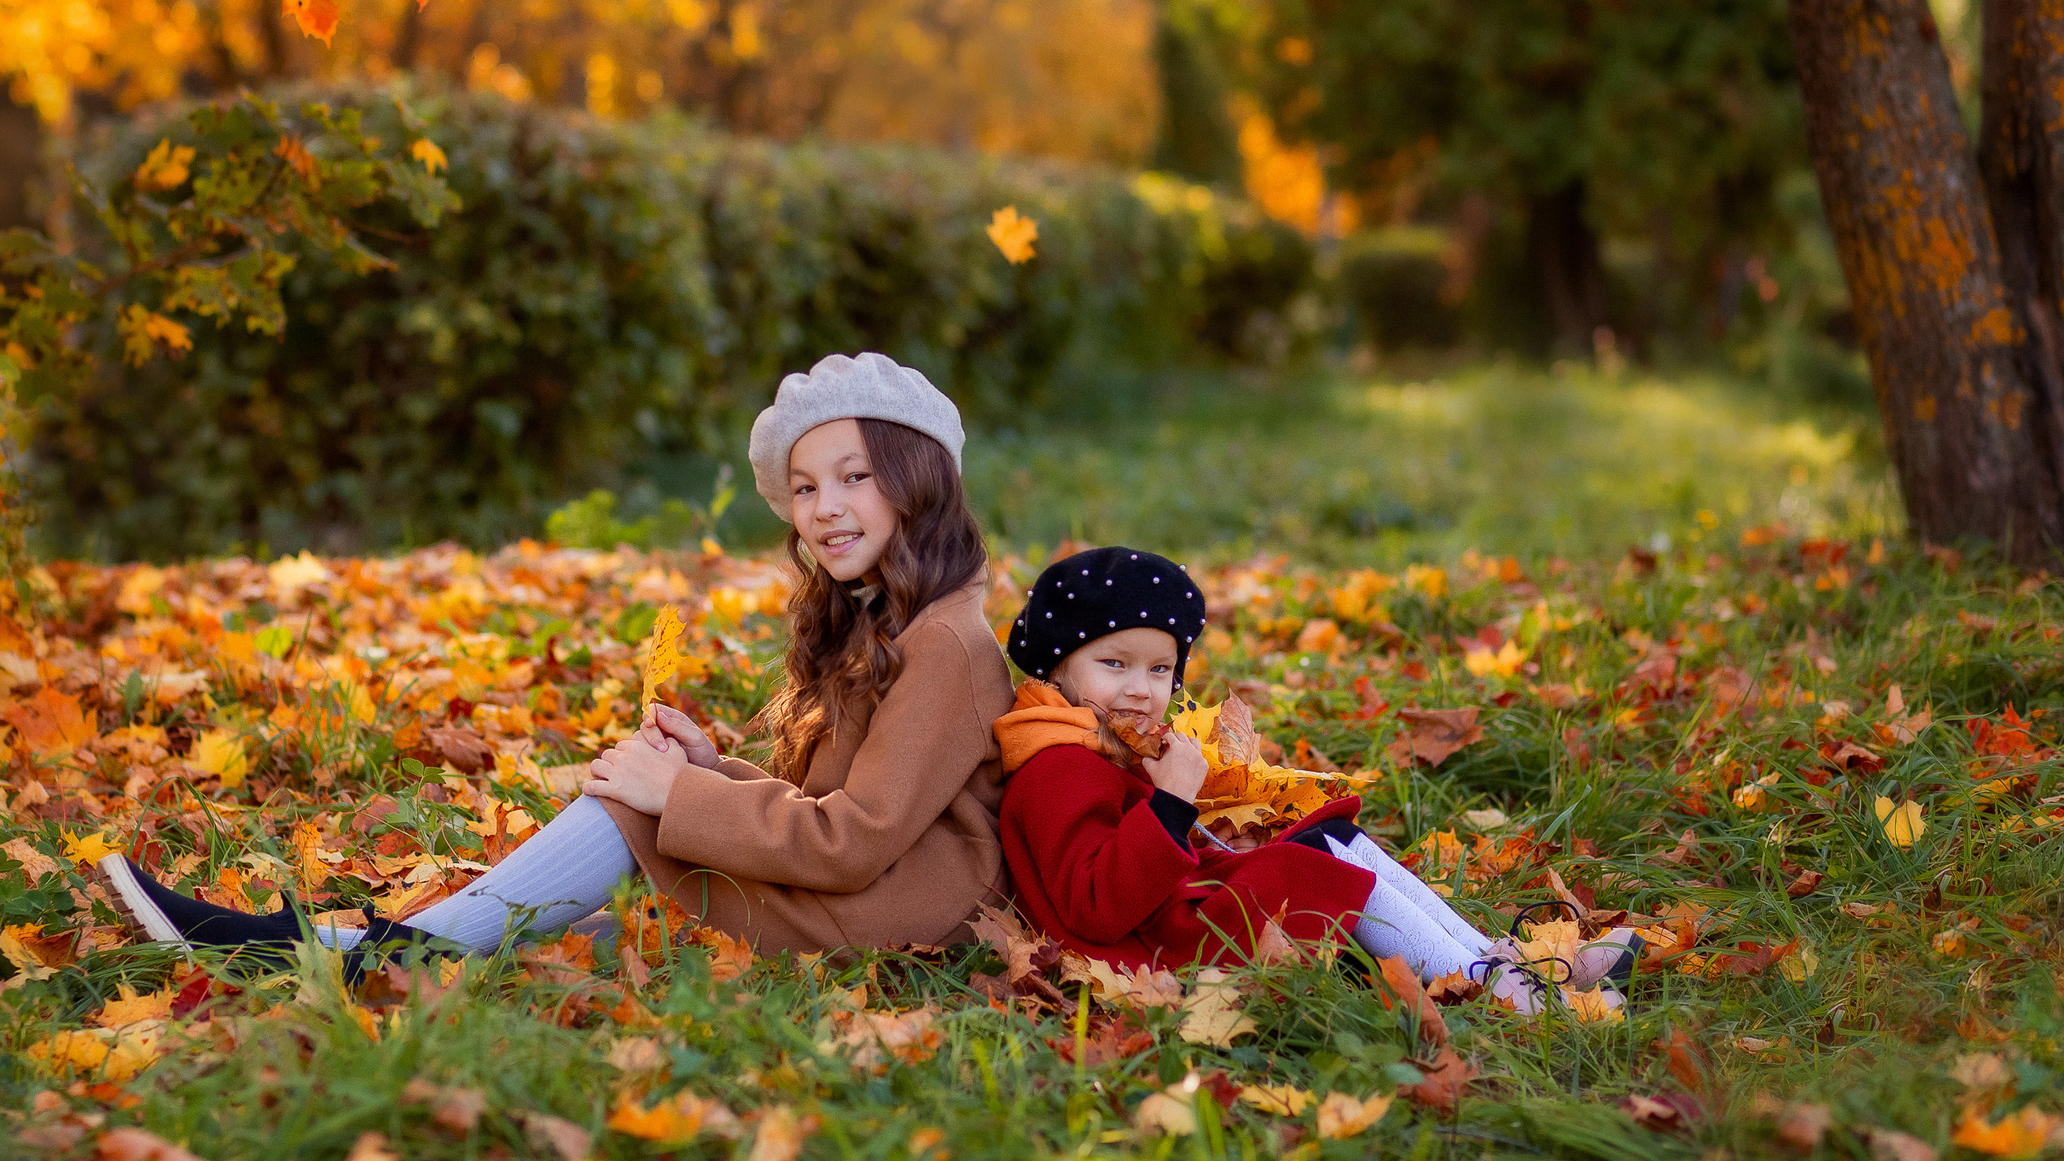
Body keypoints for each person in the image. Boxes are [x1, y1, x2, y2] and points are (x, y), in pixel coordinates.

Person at [97, 351, 1018, 970]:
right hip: (871, 896)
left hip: (897, 918)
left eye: (855, 476)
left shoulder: (944, 643)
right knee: (565, 933)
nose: (825, 508)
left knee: (622, 818)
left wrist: (672, 796)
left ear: (916, 479)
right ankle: (300, 946)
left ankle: (338, 954)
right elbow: (827, 810)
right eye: (808, 487)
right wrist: (708, 771)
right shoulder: (886, 619)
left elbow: (851, 841)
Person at [994, 546, 1628, 1015]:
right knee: (1307, 863)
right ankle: (1506, 992)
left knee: (1328, 835)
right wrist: (1171, 803)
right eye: (1113, 663)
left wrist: (1201, 826)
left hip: (1166, 905)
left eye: (1161, 669)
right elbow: (1097, 905)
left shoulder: (1096, 742)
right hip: (1144, 948)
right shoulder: (1058, 765)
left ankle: (1490, 958)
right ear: (1057, 668)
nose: (1141, 688)